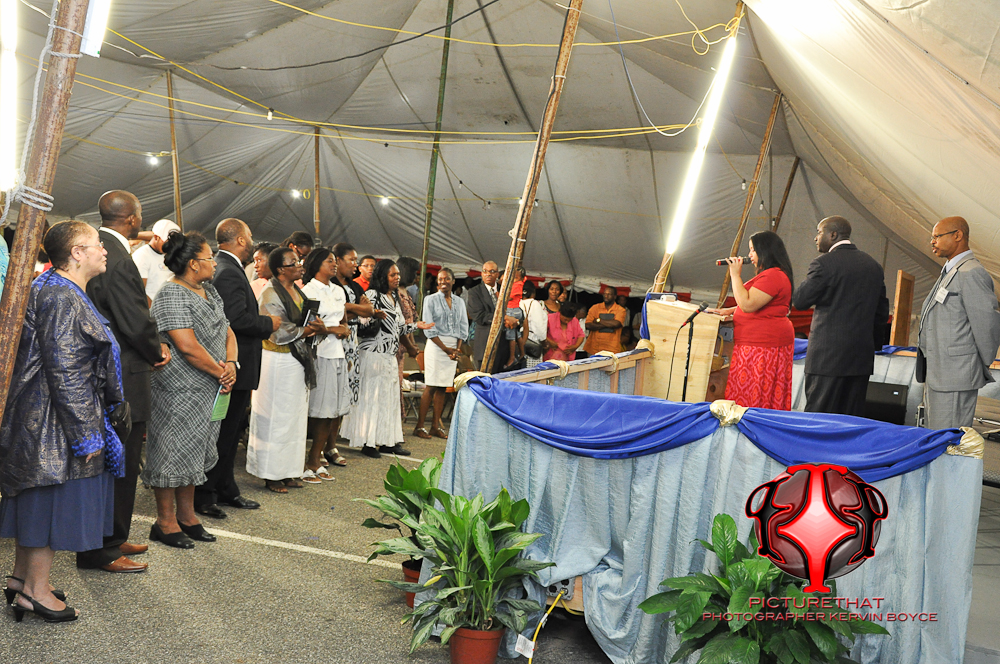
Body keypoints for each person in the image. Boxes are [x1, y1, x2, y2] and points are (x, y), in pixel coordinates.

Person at [0, 221, 126, 623]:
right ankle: (35, 592)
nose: (104, 250)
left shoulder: (54, 287)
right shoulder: (61, 295)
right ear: (76, 253)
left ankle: (22, 579)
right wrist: (86, 435)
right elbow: (67, 371)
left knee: (36, 501)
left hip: (43, 415)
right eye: (97, 244)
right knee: (49, 503)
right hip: (53, 420)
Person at [78, 190, 171, 574]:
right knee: (121, 461)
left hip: (104, 369)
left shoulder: (101, 249)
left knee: (116, 462)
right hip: (123, 373)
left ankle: (112, 536)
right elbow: (134, 320)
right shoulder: (116, 258)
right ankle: (103, 547)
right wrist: (157, 350)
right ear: (133, 218)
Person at [144, 232, 237, 548]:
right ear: (194, 264)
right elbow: (187, 346)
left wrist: (231, 364)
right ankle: (165, 521)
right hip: (179, 390)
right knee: (170, 451)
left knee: (195, 450)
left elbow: (227, 331)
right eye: (210, 257)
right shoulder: (171, 294)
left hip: (210, 386)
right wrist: (221, 372)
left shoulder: (209, 290)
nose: (215, 262)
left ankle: (187, 516)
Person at [194, 220, 277, 520]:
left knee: (231, 432)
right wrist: (269, 323)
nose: (253, 241)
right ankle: (205, 494)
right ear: (241, 240)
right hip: (233, 363)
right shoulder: (228, 270)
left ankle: (225, 486)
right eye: (250, 236)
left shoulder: (229, 267)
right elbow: (234, 319)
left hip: (239, 363)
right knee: (223, 432)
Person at [791, 216, 890, 416]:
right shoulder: (873, 265)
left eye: (819, 232)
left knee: (819, 418)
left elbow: (800, 301)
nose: (816, 238)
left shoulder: (823, 264)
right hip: (860, 359)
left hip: (827, 359)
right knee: (850, 419)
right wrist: (872, 345)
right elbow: (881, 312)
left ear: (833, 235)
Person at [246, 247, 324, 493]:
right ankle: (271, 474)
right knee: (275, 417)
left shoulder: (297, 290)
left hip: (295, 360)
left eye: (299, 261)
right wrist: (306, 330)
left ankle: (289, 470)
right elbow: (275, 329)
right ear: (281, 269)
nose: (300, 265)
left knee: (294, 418)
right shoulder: (270, 292)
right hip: (276, 360)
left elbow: (303, 318)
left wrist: (316, 325)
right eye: (294, 262)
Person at [342, 260, 433, 457]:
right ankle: (368, 442)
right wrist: (374, 315)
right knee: (372, 398)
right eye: (393, 275)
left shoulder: (394, 297)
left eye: (398, 274)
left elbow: (398, 328)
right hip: (373, 354)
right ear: (383, 276)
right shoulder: (372, 295)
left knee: (388, 399)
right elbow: (361, 322)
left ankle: (387, 441)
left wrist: (417, 326)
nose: (397, 278)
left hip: (390, 355)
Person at [918, 216, 1000, 428]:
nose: (932, 242)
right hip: (939, 373)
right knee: (936, 435)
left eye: (937, 236)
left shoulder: (971, 272)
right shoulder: (950, 271)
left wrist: (976, 364)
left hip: (956, 374)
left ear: (958, 235)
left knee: (949, 438)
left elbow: (987, 325)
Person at [707, 231, 795, 410]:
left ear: (765, 251)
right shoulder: (770, 274)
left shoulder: (774, 276)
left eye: (753, 250)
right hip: (755, 343)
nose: (749, 255)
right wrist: (730, 310)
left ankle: (751, 424)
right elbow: (758, 302)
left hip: (763, 345)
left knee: (755, 394)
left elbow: (748, 304)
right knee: (747, 392)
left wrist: (735, 275)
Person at [300, 248, 352, 482]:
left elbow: (343, 321)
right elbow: (309, 327)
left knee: (331, 411)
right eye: (329, 261)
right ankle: (307, 459)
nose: (334, 264)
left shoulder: (338, 290)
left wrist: (342, 329)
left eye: (334, 261)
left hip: (337, 353)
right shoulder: (308, 291)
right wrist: (332, 330)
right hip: (318, 354)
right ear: (316, 264)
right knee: (317, 410)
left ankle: (315, 457)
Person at [414, 268, 468, 439]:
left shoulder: (459, 302)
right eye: (440, 279)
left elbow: (463, 326)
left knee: (442, 387)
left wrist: (457, 349)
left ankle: (435, 426)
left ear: (453, 281)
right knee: (431, 385)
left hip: (453, 346)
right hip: (437, 345)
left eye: (447, 279)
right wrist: (446, 349)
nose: (443, 282)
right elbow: (429, 327)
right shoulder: (430, 299)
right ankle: (420, 426)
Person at [466, 261, 512, 371]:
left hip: (503, 343)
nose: (488, 274)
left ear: (497, 274)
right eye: (485, 271)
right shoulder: (474, 292)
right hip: (485, 343)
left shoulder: (504, 290)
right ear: (481, 274)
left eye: (492, 271)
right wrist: (503, 318)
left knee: (501, 377)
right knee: (485, 377)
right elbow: (479, 316)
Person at [131, 219, 180, 306]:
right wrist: (155, 309)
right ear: (156, 237)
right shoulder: (142, 255)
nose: (170, 246)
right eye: (167, 242)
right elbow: (139, 291)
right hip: (153, 308)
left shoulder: (171, 255)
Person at [395, 257, 422, 387]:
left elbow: (411, 323)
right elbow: (400, 324)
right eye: (414, 273)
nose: (416, 277)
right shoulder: (396, 294)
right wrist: (410, 346)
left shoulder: (406, 293)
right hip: (396, 344)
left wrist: (413, 344)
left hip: (405, 345)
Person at [584, 286, 628, 355]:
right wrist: (609, 324)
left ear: (615, 296)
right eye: (605, 294)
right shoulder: (595, 308)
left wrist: (599, 320)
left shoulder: (620, 310)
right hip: (594, 347)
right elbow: (588, 325)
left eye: (609, 294)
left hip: (612, 348)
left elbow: (617, 324)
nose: (606, 296)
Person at [520, 281, 548, 368]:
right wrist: (544, 342)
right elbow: (538, 326)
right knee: (533, 372)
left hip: (519, 342)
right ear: (533, 292)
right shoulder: (534, 304)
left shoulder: (517, 302)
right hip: (532, 342)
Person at [503, 267, 526, 369]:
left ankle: (512, 357)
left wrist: (501, 296)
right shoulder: (520, 283)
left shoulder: (518, 284)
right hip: (515, 309)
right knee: (517, 334)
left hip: (512, 310)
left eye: (515, 277)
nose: (513, 279)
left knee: (511, 336)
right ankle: (522, 353)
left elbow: (510, 296)